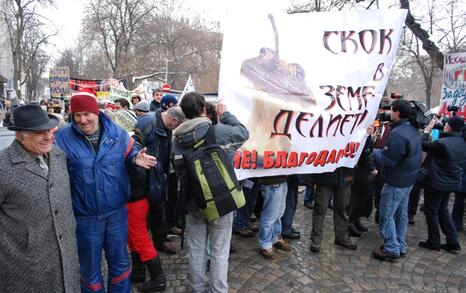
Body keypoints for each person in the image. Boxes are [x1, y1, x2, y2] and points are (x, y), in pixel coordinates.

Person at [55, 89, 157, 293]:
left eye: (87, 114)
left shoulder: (116, 133)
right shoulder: (61, 139)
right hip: (84, 218)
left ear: (97, 113)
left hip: (116, 214)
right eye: (77, 115)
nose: (83, 120)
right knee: (90, 271)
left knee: (120, 265)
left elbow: (130, 151)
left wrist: (135, 158)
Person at [172, 92, 249, 293]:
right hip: (222, 201)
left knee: (196, 250)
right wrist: (225, 114)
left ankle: (198, 289)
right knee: (219, 251)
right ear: (203, 108)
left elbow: (178, 174)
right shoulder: (218, 132)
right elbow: (243, 132)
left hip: (194, 203)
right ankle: (218, 290)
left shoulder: (177, 140)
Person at [0, 104, 79, 292]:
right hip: (25, 267)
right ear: (20, 136)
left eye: (49, 130)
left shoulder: (58, 155)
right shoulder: (3, 167)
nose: (48, 136)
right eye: (39, 132)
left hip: (66, 260)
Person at [372, 99, 422, 261]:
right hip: (408, 178)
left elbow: (389, 159)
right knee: (401, 214)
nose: (389, 113)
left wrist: (375, 151)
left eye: (392, 110)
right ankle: (399, 244)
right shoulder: (412, 128)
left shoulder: (399, 134)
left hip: (397, 180)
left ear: (397, 113)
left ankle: (392, 247)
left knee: (386, 214)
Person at [134, 106, 186, 255]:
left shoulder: (165, 126)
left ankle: (160, 239)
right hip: (145, 175)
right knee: (147, 211)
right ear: (173, 120)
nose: (176, 128)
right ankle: (143, 246)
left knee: (158, 208)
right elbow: (134, 146)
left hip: (157, 174)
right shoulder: (147, 122)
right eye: (177, 125)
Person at [419, 116, 466, 252]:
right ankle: (453, 242)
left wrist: (427, 131)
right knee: (443, 210)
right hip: (452, 182)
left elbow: (423, 144)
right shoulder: (462, 142)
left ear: (449, 127)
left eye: (446, 124)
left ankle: (434, 241)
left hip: (437, 182)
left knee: (431, 210)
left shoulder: (442, 143)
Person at [257, 175, 290, 259]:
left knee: (278, 212)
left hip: (281, 178)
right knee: (270, 214)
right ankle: (265, 244)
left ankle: (275, 237)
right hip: (271, 180)